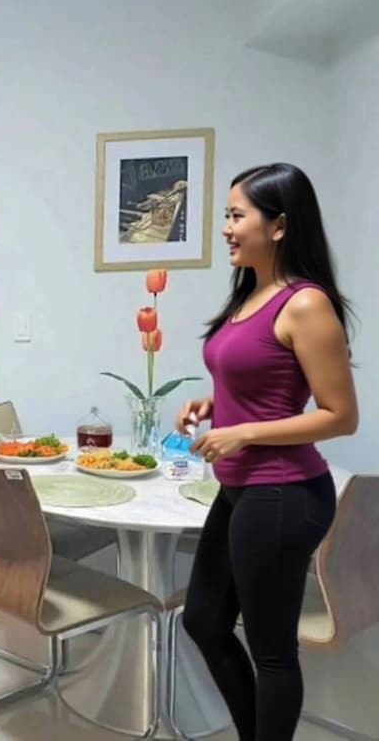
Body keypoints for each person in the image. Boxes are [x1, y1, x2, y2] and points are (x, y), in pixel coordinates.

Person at [175, 163, 358, 740]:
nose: (226, 228)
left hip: (283, 492)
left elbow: (340, 415)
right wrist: (214, 403)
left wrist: (245, 433)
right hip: (242, 488)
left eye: (237, 216)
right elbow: (263, 381)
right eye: (227, 216)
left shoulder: (305, 304)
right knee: (204, 621)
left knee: (272, 651)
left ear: (278, 226)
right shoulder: (251, 295)